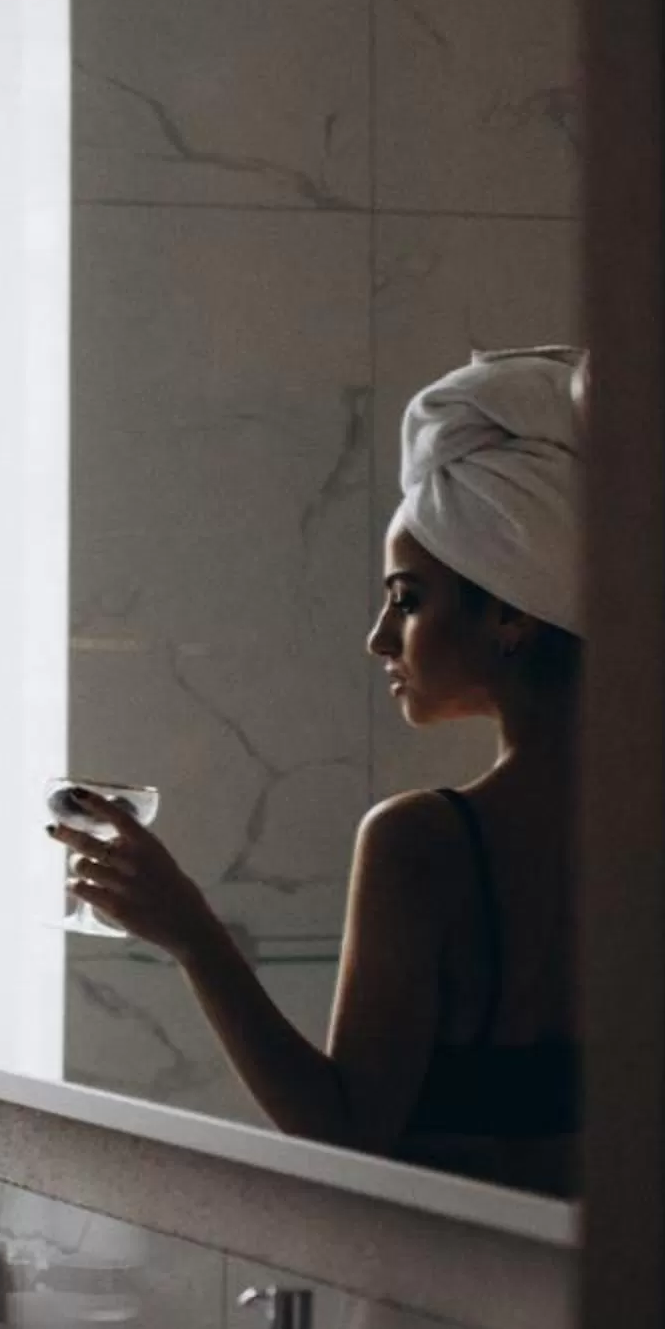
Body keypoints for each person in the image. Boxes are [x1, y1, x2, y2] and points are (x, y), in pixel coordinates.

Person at [52, 347, 584, 1194]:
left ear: (512, 614)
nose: (380, 638)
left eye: (407, 600)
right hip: (635, 1310)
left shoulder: (425, 842)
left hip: (448, 1302)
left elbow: (345, 1132)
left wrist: (191, 932)